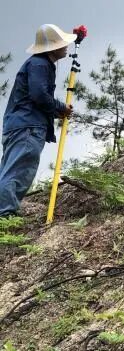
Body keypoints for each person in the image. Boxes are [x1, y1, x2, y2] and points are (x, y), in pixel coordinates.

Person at [0, 24, 75, 217]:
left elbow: (36, 98)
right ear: (52, 47)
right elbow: (39, 95)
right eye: (62, 43)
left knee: (11, 170)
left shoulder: (38, 64)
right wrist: (60, 107)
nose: (66, 46)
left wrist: (54, 111)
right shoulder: (39, 64)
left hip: (20, 125)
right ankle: (5, 216)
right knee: (18, 172)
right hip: (27, 127)